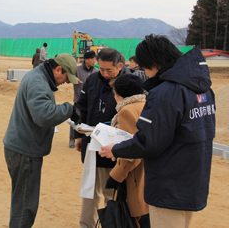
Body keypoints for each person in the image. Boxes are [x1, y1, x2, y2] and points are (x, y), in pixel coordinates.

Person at [100, 34, 215, 228]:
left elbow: (149, 140)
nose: (146, 73)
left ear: (154, 64)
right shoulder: (202, 88)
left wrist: (117, 149)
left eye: (144, 68)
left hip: (169, 184)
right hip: (194, 179)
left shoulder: (166, 93)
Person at [3, 53, 81, 228]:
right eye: (65, 78)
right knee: (25, 205)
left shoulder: (38, 75)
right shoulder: (38, 83)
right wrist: (69, 109)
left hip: (20, 146)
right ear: (58, 69)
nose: (65, 82)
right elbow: (43, 115)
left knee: (22, 200)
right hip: (25, 152)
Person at [75, 48, 131, 228]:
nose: (105, 74)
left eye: (110, 70)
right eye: (102, 69)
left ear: (120, 66)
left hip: (114, 148)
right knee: (89, 191)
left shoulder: (128, 83)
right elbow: (81, 107)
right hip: (91, 144)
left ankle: (111, 225)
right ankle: (86, 225)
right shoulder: (92, 80)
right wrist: (78, 134)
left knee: (111, 193)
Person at [106, 74, 150, 228]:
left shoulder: (126, 111)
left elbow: (131, 151)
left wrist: (116, 176)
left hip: (134, 177)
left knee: (132, 219)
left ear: (118, 93)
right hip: (150, 174)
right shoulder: (146, 104)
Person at [69, 50, 98, 148]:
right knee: (75, 120)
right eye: (92, 59)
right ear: (86, 60)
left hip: (92, 103)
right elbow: (68, 77)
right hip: (78, 101)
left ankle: (88, 140)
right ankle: (72, 139)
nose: (94, 61)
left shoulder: (96, 71)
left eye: (95, 59)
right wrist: (74, 79)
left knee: (89, 122)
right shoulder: (77, 70)